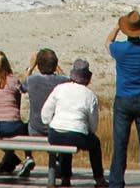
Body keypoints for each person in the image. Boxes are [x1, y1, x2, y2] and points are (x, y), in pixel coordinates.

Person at [107, 10, 140, 188]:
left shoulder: (119, 49)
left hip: (124, 99)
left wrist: (117, 27)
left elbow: (108, 42)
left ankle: (116, 182)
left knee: (120, 143)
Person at [42, 58, 107, 188]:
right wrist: (87, 130)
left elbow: (45, 113)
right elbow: (93, 124)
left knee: (64, 141)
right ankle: (99, 178)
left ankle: (65, 178)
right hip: (77, 134)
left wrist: (51, 124)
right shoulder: (90, 95)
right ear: (87, 78)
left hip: (55, 133)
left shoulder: (59, 89)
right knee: (95, 144)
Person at [21, 49, 64, 167]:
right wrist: (56, 67)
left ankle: (28, 157)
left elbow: (21, 86)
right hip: (56, 129)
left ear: (38, 65)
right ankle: (58, 159)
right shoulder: (62, 81)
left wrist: (31, 67)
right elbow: (68, 79)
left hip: (35, 129)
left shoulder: (31, 80)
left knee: (24, 127)